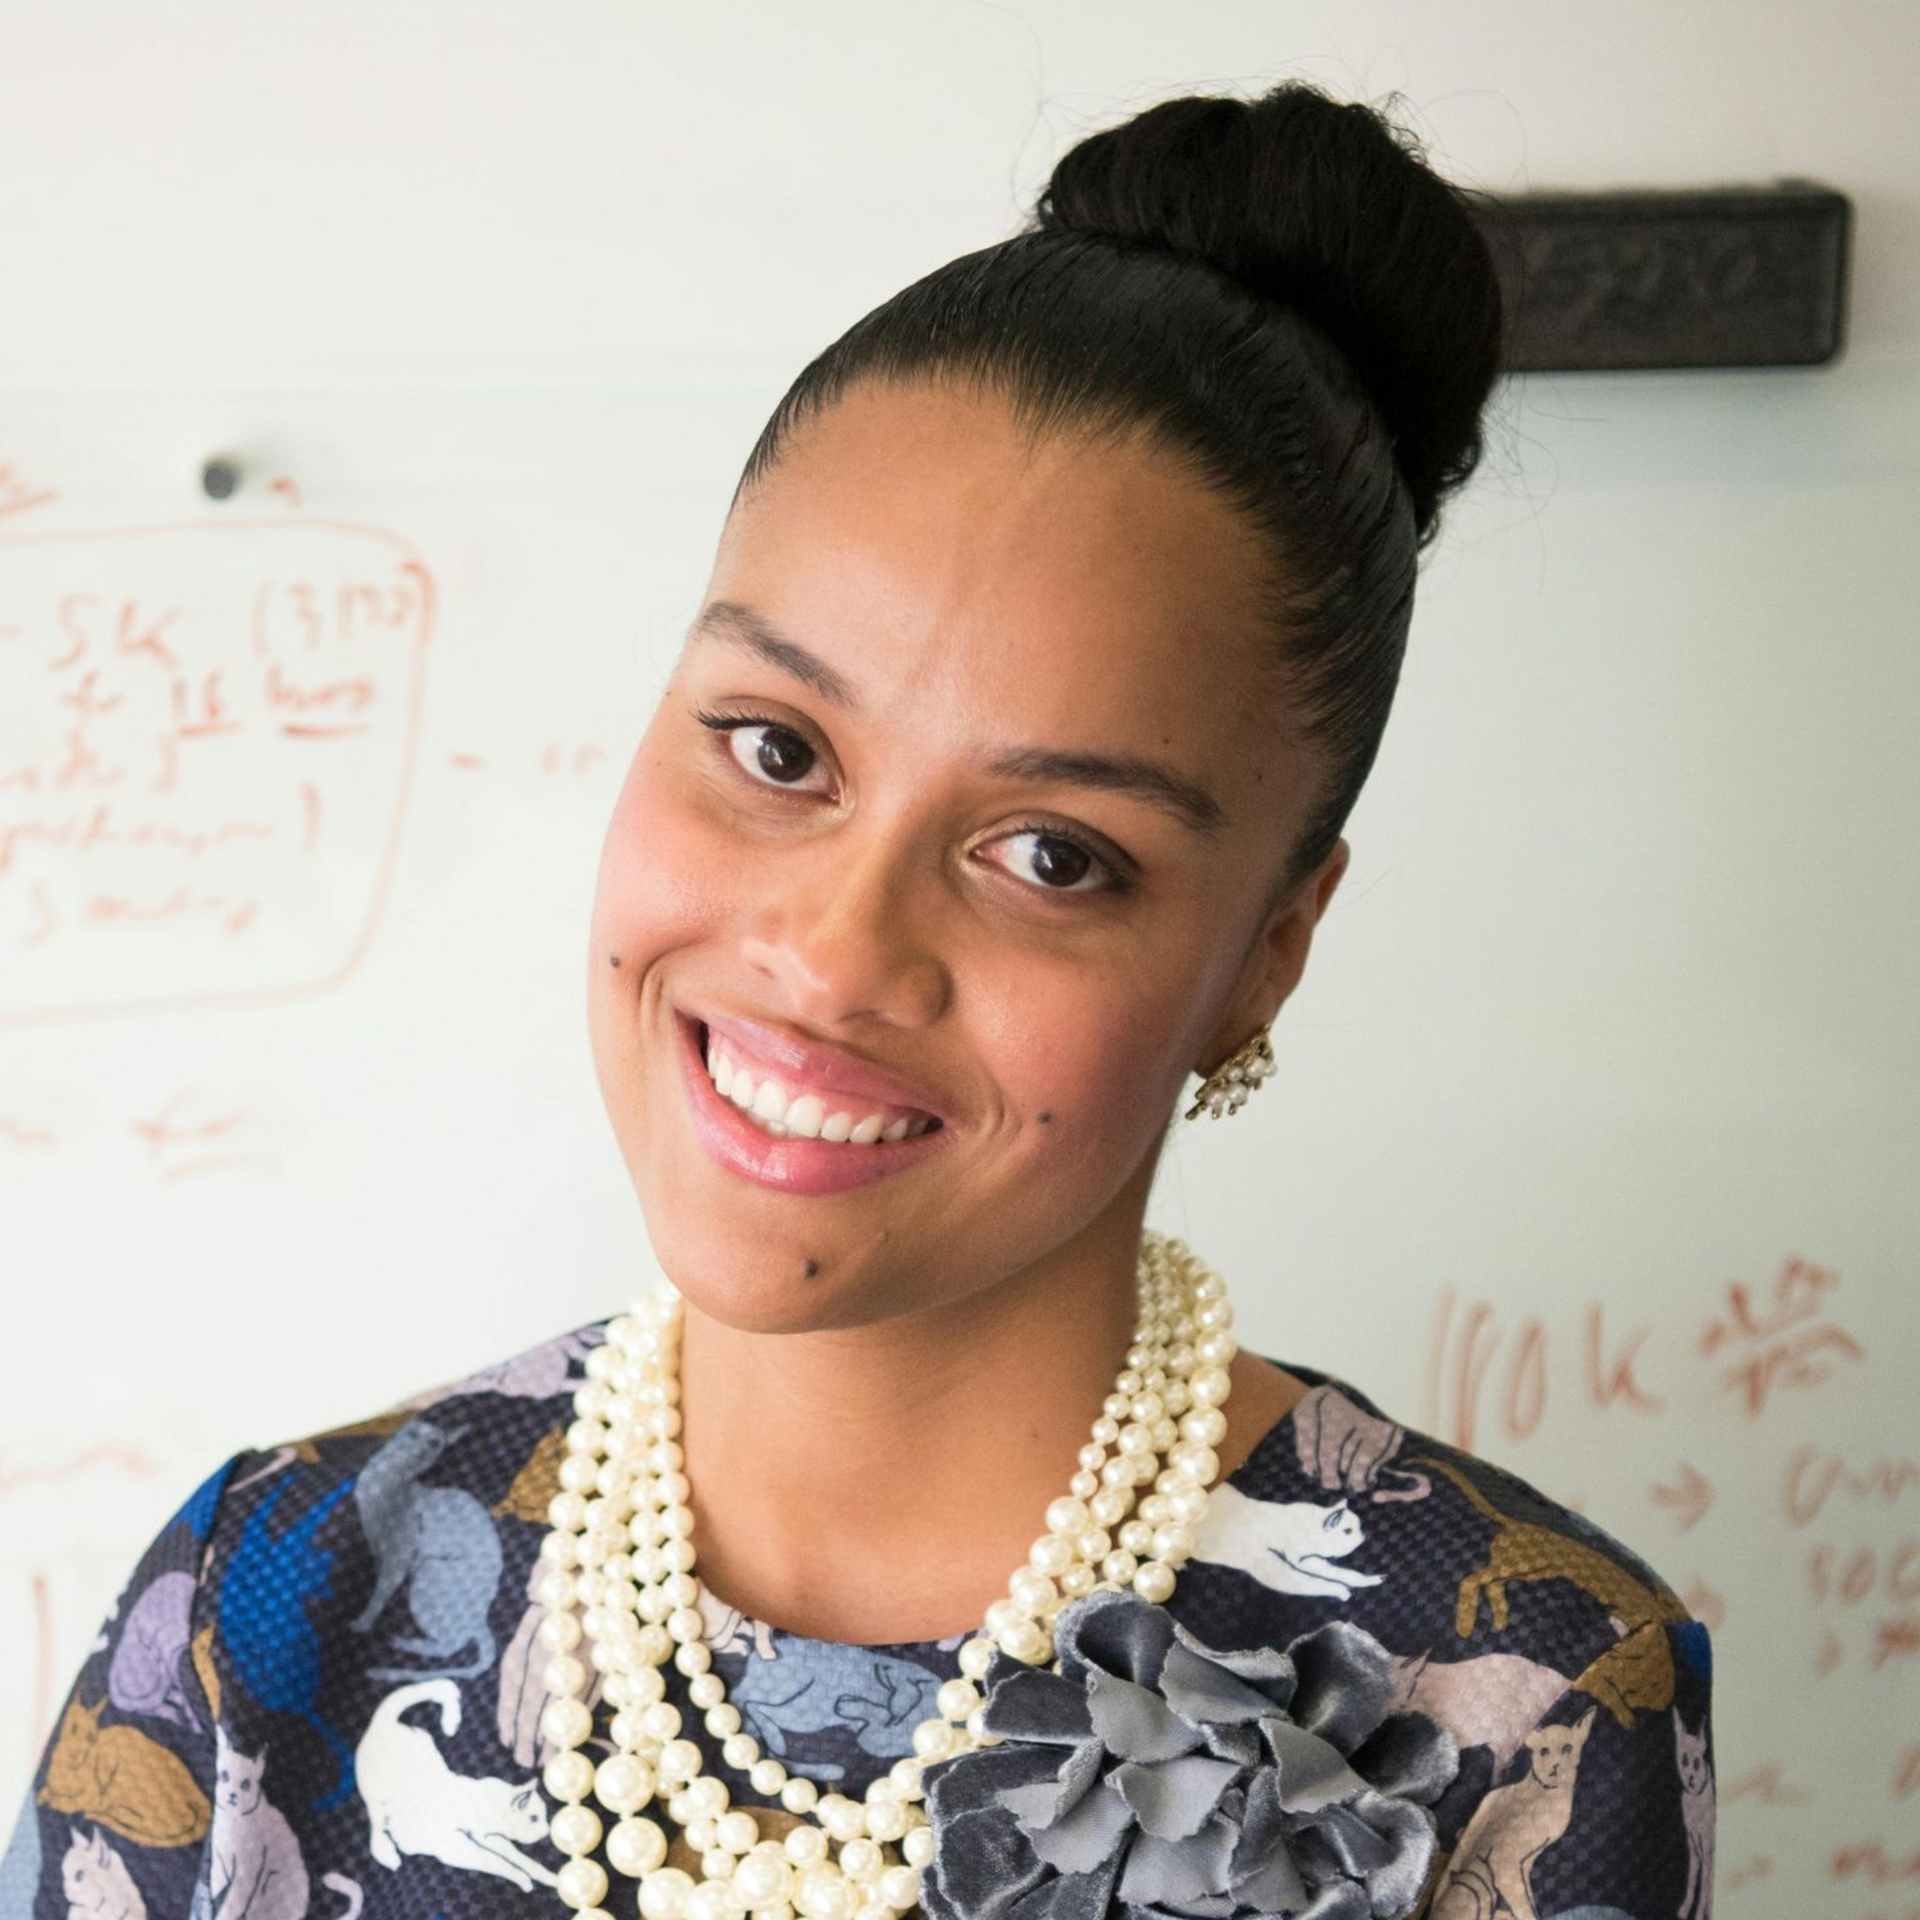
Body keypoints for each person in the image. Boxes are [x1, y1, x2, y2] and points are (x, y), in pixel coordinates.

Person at [3, 75, 1714, 1920]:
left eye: (1055, 853)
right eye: (774, 746)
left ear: (1270, 950)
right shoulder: (264, 1618)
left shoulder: (1519, 1702)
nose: (829, 954)